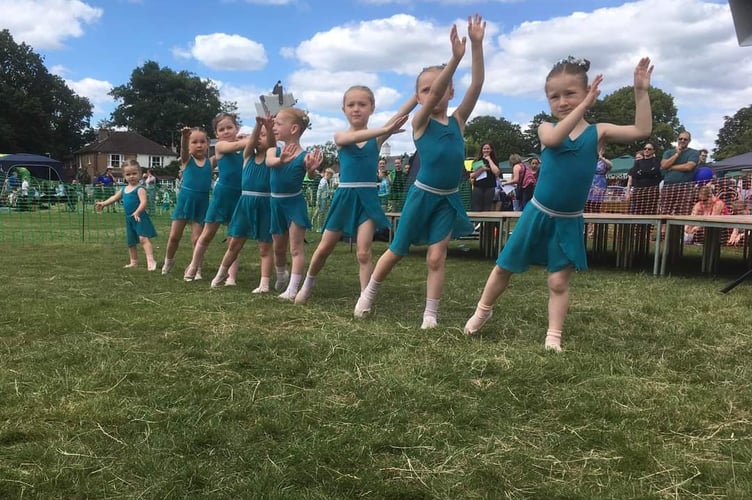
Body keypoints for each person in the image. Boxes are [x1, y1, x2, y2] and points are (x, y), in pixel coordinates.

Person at [463, 55, 654, 352]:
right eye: (555, 96)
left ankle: (554, 336)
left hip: (568, 219)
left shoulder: (598, 131)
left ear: (587, 91)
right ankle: (483, 310)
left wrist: (640, 92)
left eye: (571, 94)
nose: (562, 101)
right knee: (504, 267)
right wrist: (582, 106)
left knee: (558, 281)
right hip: (537, 213)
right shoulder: (545, 127)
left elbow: (642, 131)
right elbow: (553, 140)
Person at [353, 14, 486, 329]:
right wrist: (454, 61)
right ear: (419, 99)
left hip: (447, 199)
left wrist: (476, 46)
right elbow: (433, 90)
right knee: (397, 250)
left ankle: (430, 315)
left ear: (451, 93)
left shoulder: (458, 121)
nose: (434, 94)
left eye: (440, 89)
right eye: (425, 91)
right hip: (421, 196)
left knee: (437, 257)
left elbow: (478, 84)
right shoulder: (420, 122)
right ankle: (369, 292)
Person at [294, 86, 414, 306]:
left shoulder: (375, 139)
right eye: (351, 105)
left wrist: (418, 94)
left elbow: (400, 115)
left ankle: (364, 299)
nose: (356, 109)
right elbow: (360, 135)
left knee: (363, 252)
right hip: (344, 198)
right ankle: (307, 284)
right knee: (324, 248)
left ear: (372, 108)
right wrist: (385, 129)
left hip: (367, 198)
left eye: (362, 104)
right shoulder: (341, 136)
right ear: (343, 109)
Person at [261, 107, 323, 300]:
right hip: (276, 204)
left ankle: (293, 288)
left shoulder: (304, 156)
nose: (275, 127)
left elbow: (311, 174)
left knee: (295, 248)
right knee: (278, 247)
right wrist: (281, 159)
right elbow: (270, 163)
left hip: (294, 204)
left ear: (294, 128)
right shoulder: (273, 150)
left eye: (279, 124)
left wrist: (312, 170)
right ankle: (282, 276)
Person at [210, 116, 277, 291]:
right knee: (234, 244)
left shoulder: (271, 159)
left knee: (265, 246)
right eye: (258, 136)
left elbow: (270, 144)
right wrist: (258, 125)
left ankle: (264, 283)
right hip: (245, 203)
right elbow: (252, 142)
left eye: (264, 136)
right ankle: (222, 274)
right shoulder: (247, 156)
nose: (260, 139)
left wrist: (268, 129)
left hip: (265, 204)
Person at [184, 113, 245, 282]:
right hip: (221, 196)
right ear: (216, 134)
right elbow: (241, 144)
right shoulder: (220, 146)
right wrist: (252, 137)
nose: (226, 131)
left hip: (239, 197)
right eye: (221, 129)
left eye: (229, 127)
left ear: (236, 128)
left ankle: (230, 276)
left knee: (234, 238)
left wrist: (250, 139)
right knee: (207, 234)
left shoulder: (244, 149)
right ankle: (194, 266)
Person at [161, 126, 212, 275]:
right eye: (194, 142)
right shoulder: (187, 161)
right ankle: (168, 261)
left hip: (202, 203)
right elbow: (183, 150)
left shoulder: (210, 162)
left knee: (197, 239)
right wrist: (184, 138)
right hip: (185, 202)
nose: (199, 145)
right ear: (189, 146)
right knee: (174, 236)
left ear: (208, 144)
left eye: (202, 141)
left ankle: (196, 268)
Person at [95, 159, 157, 270]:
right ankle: (133, 262)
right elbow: (114, 198)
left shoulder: (140, 189)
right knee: (131, 241)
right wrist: (103, 203)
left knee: (143, 239)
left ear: (139, 173)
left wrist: (137, 212)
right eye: (128, 174)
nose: (131, 176)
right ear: (124, 175)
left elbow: (144, 202)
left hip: (139, 218)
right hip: (129, 218)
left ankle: (151, 261)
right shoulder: (124, 189)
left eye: (134, 173)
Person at [660, 131, 699, 216]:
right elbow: (664, 165)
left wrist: (671, 167)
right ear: (677, 139)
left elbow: (689, 167)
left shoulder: (694, 153)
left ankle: (682, 229)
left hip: (685, 186)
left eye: (685, 139)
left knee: (683, 213)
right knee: (664, 212)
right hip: (668, 186)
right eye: (680, 139)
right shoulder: (668, 152)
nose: (682, 141)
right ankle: (663, 229)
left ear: (689, 141)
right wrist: (677, 154)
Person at [626, 142, 662, 214]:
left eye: (649, 149)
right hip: (638, 191)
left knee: (649, 213)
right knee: (637, 213)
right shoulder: (638, 161)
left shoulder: (657, 160)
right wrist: (648, 173)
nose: (646, 150)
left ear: (653, 151)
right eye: (645, 148)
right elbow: (634, 174)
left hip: (651, 192)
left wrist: (641, 172)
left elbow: (655, 172)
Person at [469, 142, 500, 211]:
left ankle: (486, 222)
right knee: (476, 208)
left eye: (488, 149)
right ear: (481, 150)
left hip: (490, 187)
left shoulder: (494, 160)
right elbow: (472, 175)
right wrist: (482, 169)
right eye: (484, 149)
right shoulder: (477, 160)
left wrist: (489, 159)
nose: (486, 150)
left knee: (487, 208)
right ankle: (477, 222)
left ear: (491, 150)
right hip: (478, 187)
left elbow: (497, 173)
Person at [586, 147, 612, 214]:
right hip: (589, 182)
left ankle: (595, 222)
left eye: (600, 150)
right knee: (587, 204)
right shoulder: (590, 160)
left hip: (600, 183)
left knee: (596, 204)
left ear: (603, 152)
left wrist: (602, 158)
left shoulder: (604, 162)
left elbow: (610, 166)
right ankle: (587, 223)